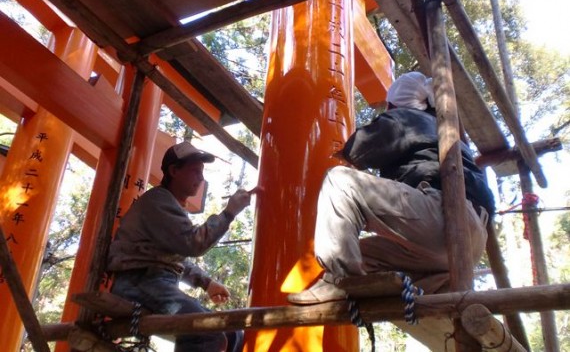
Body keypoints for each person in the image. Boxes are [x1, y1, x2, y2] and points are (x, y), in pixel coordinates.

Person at [287, 72, 495, 304]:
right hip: (469, 245)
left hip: (444, 218)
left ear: (392, 104)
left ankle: (341, 280)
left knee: (340, 180)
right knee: (362, 257)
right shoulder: (447, 133)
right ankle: (424, 291)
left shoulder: (405, 117)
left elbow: (358, 148)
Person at [107, 141, 252, 351]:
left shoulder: (169, 205)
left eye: (202, 172)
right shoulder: (157, 200)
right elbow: (193, 243)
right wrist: (229, 213)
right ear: (174, 170)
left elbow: (174, 258)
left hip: (155, 284)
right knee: (205, 331)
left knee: (233, 332)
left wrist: (206, 282)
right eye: (195, 171)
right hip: (138, 282)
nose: (201, 178)